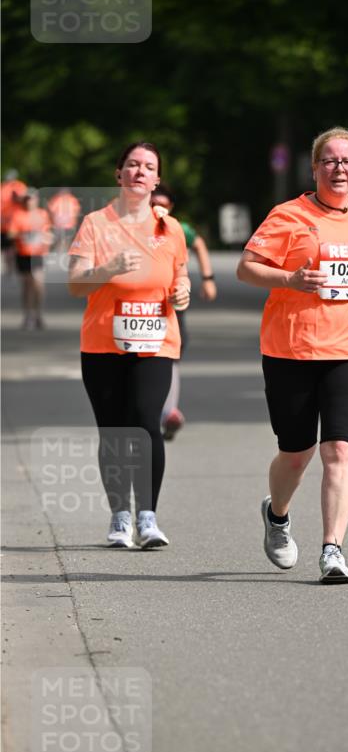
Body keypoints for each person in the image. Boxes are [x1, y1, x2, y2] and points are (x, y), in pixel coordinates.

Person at [237, 126, 348, 584]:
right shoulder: (288, 215)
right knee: (296, 452)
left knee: (340, 450)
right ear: (314, 169)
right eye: (329, 161)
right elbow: (246, 268)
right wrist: (289, 280)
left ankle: (333, 550)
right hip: (293, 349)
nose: (338, 168)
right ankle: (277, 515)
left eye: (347, 161)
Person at [68, 142, 190, 548]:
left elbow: (179, 273)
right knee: (114, 429)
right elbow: (75, 283)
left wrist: (183, 290)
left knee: (146, 420)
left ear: (156, 180)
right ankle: (120, 516)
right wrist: (109, 269)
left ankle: (147, 517)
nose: (140, 171)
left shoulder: (169, 227)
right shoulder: (95, 224)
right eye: (132, 165)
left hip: (156, 339)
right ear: (119, 174)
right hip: (103, 342)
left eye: (148, 167)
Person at [149, 184, 217, 440]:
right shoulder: (129, 226)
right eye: (154, 203)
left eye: (164, 205)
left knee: (172, 352)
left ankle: (169, 412)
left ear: (171, 207)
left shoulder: (177, 228)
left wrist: (208, 278)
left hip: (169, 303)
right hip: (137, 307)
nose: (158, 208)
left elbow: (198, 244)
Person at [8, 188, 53, 329]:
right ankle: (28, 315)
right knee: (27, 285)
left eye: (31, 199)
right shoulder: (18, 215)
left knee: (38, 283)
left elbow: (48, 232)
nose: (29, 202)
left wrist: (47, 238)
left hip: (38, 254)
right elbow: (10, 234)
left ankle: (38, 314)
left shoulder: (42, 214)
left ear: (36, 200)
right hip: (23, 254)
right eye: (26, 199)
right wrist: (23, 234)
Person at [1, 169, 27, 275]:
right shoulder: (2, 187)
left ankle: (17, 267)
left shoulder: (19, 186)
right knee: (6, 248)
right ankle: (9, 268)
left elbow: (25, 201)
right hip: (3, 224)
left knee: (16, 246)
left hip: (17, 222)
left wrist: (17, 198)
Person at [47, 187, 81, 259]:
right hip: (63, 225)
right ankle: (61, 254)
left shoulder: (59, 199)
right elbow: (77, 212)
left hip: (64, 225)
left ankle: (62, 254)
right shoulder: (71, 199)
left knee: (63, 240)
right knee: (62, 240)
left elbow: (51, 211)